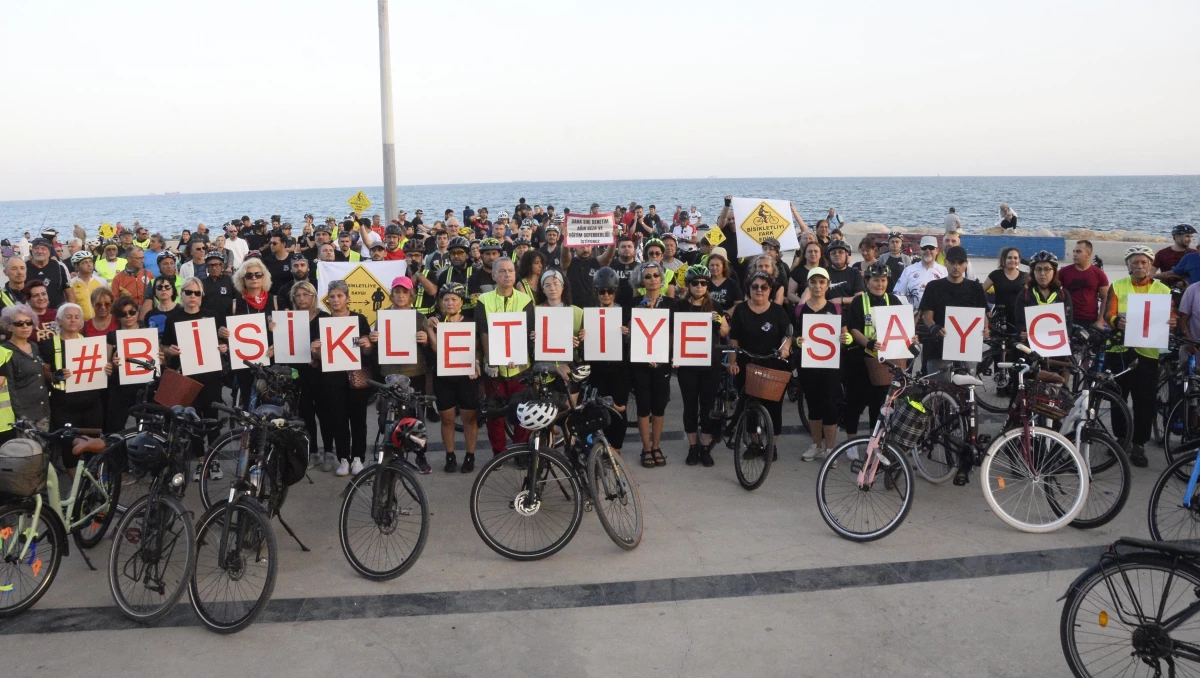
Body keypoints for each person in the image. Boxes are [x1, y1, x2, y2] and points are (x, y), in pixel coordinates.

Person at [1101, 246, 1174, 468]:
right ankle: (1121, 440)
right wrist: (1116, 322)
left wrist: (1173, 320)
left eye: (1144, 262)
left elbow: (1172, 314)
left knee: (1145, 401)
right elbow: (1108, 313)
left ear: (1150, 265)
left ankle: (1139, 444)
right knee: (1118, 397)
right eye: (1135, 262)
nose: (1140, 266)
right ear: (1128, 265)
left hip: (1148, 352)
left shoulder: (1162, 289)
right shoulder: (1118, 286)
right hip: (1119, 351)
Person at [310, 280, 373, 477]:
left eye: (340, 296)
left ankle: (358, 458)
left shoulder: (359, 319)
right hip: (332, 378)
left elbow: (368, 352)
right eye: (332, 296)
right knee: (338, 418)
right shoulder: (323, 322)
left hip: (356, 377)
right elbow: (318, 358)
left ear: (348, 298)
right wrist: (316, 350)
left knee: (358, 419)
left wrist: (366, 343)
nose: (336, 300)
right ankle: (343, 458)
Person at [369, 276, 431, 473]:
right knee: (387, 417)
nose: (400, 295)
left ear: (411, 294)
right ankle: (392, 455)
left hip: (414, 373)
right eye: (397, 292)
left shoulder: (420, 318)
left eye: (404, 292)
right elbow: (374, 348)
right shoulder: (383, 316)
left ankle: (421, 456)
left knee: (416, 418)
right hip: (388, 373)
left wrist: (426, 340)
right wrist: (373, 339)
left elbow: (430, 350)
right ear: (392, 294)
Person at [475, 257, 535, 458]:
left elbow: (529, 332)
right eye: (502, 271)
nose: (507, 274)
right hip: (495, 369)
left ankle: (519, 451)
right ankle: (499, 453)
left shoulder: (525, 300)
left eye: (510, 270)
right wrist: (490, 360)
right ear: (493, 275)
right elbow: (483, 332)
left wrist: (521, 355)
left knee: (522, 412)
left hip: (520, 366)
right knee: (495, 415)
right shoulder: (484, 300)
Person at [728, 271, 792, 452]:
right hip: (746, 363)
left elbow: (788, 334)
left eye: (764, 287)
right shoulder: (741, 310)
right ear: (749, 288)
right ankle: (754, 443)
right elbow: (734, 339)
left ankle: (771, 445)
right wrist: (732, 362)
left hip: (772, 364)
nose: (759, 290)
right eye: (755, 286)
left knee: (774, 407)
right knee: (748, 406)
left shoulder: (778, 311)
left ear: (770, 289)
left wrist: (785, 349)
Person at [672, 265, 727, 467]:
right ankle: (693, 446)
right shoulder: (679, 306)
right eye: (695, 283)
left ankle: (705, 447)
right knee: (690, 406)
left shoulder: (715, 306)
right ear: (688, 285)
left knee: (707, 406)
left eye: (704, 283)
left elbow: (724, 333)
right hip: (687, 364)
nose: (700, 286)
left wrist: (720, 322)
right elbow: (672, 333)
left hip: (710, 364)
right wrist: (673, 356)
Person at [793, 267, 850, 462]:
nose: (817, 286)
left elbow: (844, 332)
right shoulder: (800, 309)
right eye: (813, 282)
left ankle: (830, 449)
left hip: (830, 366)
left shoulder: (835, 308)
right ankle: (816, 445)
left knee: (830, 407)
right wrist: (796, 341)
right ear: (808, 284)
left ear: (827, 285)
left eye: (821, 282)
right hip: (808, 364)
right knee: (814, 406)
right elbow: (793, 335)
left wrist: (846, 338)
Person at [843, 262, 906, 436]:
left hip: (883, 362)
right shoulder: (858, 301)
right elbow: (853, 328)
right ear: (867, 281)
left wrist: (910, 338)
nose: (880, 284)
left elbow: (902, 328)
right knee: (854, 402)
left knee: (879, 404)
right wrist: (868, 343)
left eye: (883, 280)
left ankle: (874, 439)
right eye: (876, 280)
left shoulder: (893, 301)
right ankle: (851, 441)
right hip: (860, 358)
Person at [425, 282, 480, 473]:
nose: (449, 303)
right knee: (447, 418)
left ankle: (470, 455)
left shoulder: (471, 322)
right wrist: (429, 329)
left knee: (469, 418)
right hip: (444, 376)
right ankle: (450, 455)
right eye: (446, 299)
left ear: (461, 302)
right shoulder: (437, 322)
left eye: (454, 299)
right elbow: (436, 348)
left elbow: (477, 349)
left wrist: (477, 362)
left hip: (466, 376)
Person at [628, 262, 673, 468]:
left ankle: (657, 446)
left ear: (661, 279)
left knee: (659, 406)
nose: (653, 279)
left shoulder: (672, 303)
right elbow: (629, 333)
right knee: (644, 406)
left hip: (662, 363)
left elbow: (675, 334)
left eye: (656, 275)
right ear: (641, 281)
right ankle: (646, 448)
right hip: (640, 362)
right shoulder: (634, 302)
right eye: (648, 276)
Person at [46, 303, 109, 448]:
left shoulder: (91, 342)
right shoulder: (49, 344)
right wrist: (55, 376)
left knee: (91, 443)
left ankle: (89, 470)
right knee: (69, 443)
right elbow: (45, 373)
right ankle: (72, 471)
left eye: (77, 317)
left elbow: (101, 368)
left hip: (91, 402)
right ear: (58, 320)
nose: (73, 320)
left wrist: (107, 369)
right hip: (64, 403)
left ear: (81, 321)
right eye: (68, 317)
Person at [0, 304, 53, 431]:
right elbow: (10, 387)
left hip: (43, 410)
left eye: (29, 322)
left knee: (43, 450)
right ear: (9, 327)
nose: (25, 326)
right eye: (19, 323)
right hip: (24, 414)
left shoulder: (34, 346)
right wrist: (21, 416)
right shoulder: (6, 351)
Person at [103, 296, 145, 433]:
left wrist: (161, 358)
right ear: (117, 317)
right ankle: (119, 455)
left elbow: (158, 360)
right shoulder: (112, 335)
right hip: (119, 388)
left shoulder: (147, 331)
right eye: (123, 314)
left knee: (145, 429)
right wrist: (112, 364)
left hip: (143, 387)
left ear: (137, 312)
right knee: (115, 428)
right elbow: (106, 365)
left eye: (132, 312)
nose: (128, 316)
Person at [1013, 251, 1074, 333]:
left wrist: (1067, 336)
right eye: (1038, 269)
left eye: (1047, 269)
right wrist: (1021, 333)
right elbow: (1019, 323)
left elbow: (1068, 323)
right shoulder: (1024, 295)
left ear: (1054, 272)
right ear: (1033, 272)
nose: (1042, 273)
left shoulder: (1064, 294)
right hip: (1030, 344)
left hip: (1057, 342)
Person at [1059, 240, 1110, 326]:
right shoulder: (1063, 272)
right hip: (1067, 319)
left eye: (1078, 251)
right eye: (1074, 251)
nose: (1074, 254)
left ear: (1088, 254)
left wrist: (1100, 320)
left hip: (1090, 320)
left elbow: (1105, 298)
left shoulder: (1099, 274)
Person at [894, 236, 947, 307]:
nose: (927, 250)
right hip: (911, 314)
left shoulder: (944, 271)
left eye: (931, 248)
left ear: (937, 250)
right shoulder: (908, 270)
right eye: (924, 248)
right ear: (920, 250)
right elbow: (897, 294)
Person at [983, 247, 1028, 330]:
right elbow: (980, 292)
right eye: (1009, 257)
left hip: (1019, 318)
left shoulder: (1025, 276)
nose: (1012, 260)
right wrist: (986, 309)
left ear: (1019, 260)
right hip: (1000, 317)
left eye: (1015, 258)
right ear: (1003, 259)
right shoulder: (995, 275)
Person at [110, 246, 155, 319]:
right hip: (128, 317)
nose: (142, 261)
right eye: (139, 258)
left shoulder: (149, 274)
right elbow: (115, 303)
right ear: (129, 259)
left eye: (143, 258)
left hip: (148, 316)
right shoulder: (118, 279)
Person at [26, 238, 72, 308]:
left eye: (43, 248)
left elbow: (69, 291)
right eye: (36, 248)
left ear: (49, 251)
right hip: (33, 313)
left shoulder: (59, 267)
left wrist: (71, 308)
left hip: (57, 312)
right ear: (31, 250)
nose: (40, 251)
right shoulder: (24, 267)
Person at [786, 241, 827, 305]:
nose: (813, 254)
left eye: (816, 251)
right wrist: (803, 302)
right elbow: (790, 294)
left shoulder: (827, 271)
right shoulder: (797, 272)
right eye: (810, 251)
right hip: (804, 309)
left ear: (820, 254)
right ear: (805, 254)